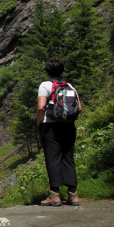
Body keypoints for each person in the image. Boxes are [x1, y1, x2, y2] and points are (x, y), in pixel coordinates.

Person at [36, 60, 82, 206]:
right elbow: (79, 108)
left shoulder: (45, 85)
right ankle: (73, 195)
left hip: (50, 127)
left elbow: (41, 107)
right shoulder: (69, 86)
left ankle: (54, 196)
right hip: (69, 126)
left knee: (53, 159)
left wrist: (39, 123)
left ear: (47, 71)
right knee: (68, 157)